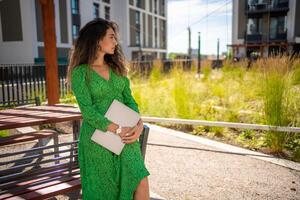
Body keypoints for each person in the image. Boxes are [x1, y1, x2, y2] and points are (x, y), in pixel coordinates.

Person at [67, 18, 150, 200]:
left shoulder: (117, 70)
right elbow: (87, 111)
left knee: (140, 179)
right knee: (106, 192)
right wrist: (117, 129)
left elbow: (130, 100)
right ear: (97, 40)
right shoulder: (81, 73)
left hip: (126, 137)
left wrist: (138, 124)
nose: (115, 42)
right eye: (111, 37)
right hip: (98, 140)